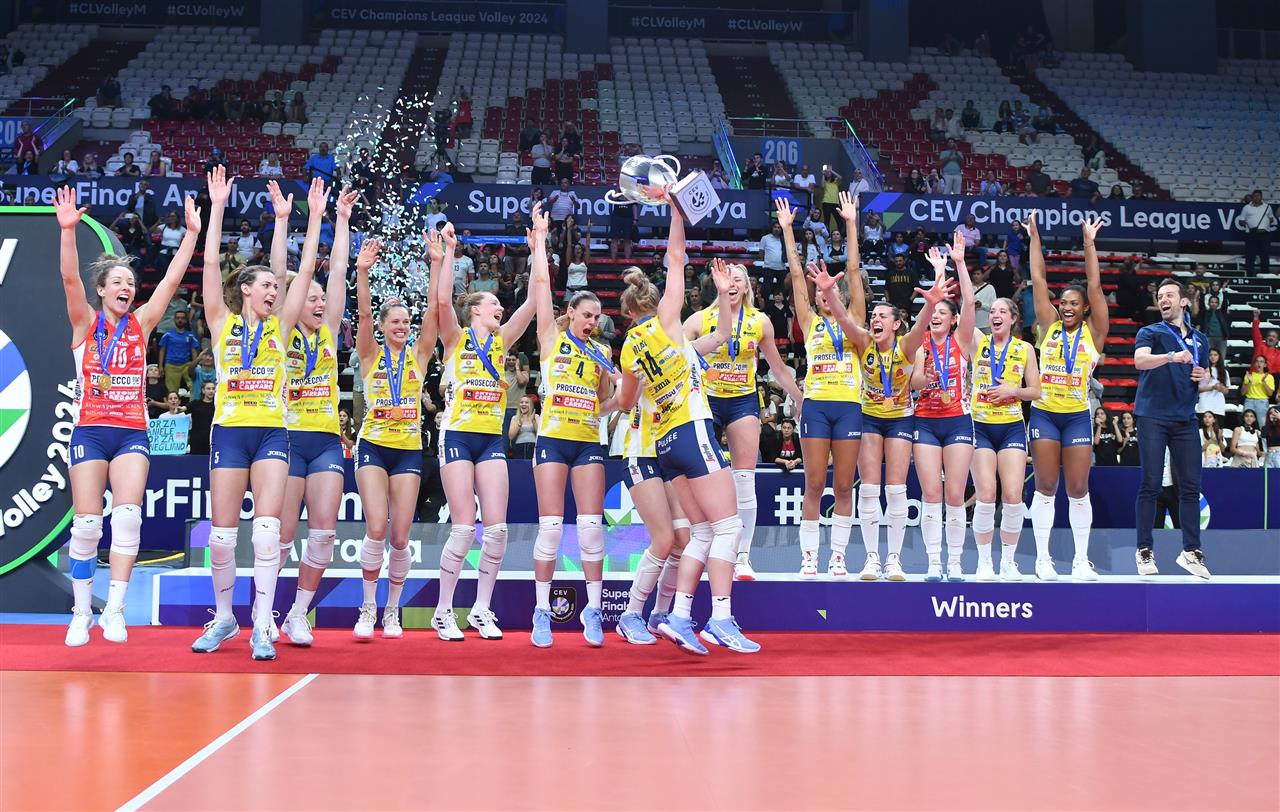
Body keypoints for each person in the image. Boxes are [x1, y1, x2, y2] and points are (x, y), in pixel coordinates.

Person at [55, 187, 199, 647]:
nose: (126, 288)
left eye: (131, 283)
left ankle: (115, 610)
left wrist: (191, 234)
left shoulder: (142, 324)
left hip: (132, 432)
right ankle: (81, 611)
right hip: (90, 432)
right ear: (102, 290)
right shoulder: (85, 323)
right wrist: (67, 231)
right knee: (86, 525)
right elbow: (70, 279)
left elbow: (172, 281)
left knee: (129, 517)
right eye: (117, 282)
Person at [616, 195, 757, 656]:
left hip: (664, 443)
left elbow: (627, 401)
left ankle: (678, 615)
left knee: (701, 532)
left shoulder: (631, 348)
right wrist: (677, 213)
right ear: (657, 305)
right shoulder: (669, 326)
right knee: (729, 526)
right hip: (693, 429)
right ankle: (720, 618)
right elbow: (675, 258)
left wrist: (725, 298)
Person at [190, 170, 311, 661]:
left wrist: (291, 221)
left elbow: (298, 270)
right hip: (229, 433)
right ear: (246, 290)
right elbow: (210, 267)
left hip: (271, 433)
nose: (273, 292)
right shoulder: (221, 321)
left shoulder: (281, 325)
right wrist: (217, 207)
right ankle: (224, 618)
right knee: (221, 538)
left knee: (267, 532)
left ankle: (263, 624)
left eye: (275, 288)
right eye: (265, 286)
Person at [434, 214, 541, 642]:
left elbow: (533, 303)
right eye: (493, 304)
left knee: (497, 529)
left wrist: (537, 250)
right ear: (475, 309)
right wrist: (449, 252)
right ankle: (443, 611)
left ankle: (481, 609)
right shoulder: (456, 338)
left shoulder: (501, 342)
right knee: (464, 526)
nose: (500, 308)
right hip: (457, 436)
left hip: (491, 439)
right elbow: (443, 304)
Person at [527, 203, 621, 648]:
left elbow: (605, 404)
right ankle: (541, 610)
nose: (593, 321)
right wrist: (540, 241)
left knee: (590, 527)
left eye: (598, 316)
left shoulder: (603, 353)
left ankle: (593, 610)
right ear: (572, 313)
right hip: (552, 439)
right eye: (587, 315)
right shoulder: (551, 337)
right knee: (550, 527)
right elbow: (541, 287)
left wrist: (625, 395)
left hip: (587, 442)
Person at [683, 243, 804, 582]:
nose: (733, 284)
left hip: (742, 401)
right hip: (706, 401)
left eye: (739, 279)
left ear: (747, 287)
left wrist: (799, 398)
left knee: (744, 479)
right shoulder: (700, 319)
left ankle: (742, 557)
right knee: (702, 477)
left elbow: (777, 367)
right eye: (729, 279)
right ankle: (702, 547)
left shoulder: (760, 321)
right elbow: (674, 353)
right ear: (719, 283)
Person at [272, 185, 359, 646]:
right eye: (312, 297)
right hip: (286, 439)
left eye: (323, 298)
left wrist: (340, 219)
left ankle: (297, 614)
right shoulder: (281, 330)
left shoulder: (327, 330)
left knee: (324, 535)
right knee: (281, 536)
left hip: (325, 440)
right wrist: (291, 220)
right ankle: (263, 613)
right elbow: (279, 273)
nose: (320, 303)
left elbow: (339, 269)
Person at [349, 224, 440, 641]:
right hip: (373, 446)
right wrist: (362, 272)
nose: (402, 326)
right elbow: (364, 315)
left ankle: (392, 611)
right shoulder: (370, 354)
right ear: (384, 326)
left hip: (408, 450)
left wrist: (436, 264)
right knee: (376, 528)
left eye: (406, 321)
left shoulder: (420, 354)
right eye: (396, 321)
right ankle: (367, 607)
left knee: (401, 537)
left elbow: (434, 314)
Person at [777, 194, 866, 577]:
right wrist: (787, 230)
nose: (823, 294)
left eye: (830, 290)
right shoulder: (810, 322)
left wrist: (851, 223)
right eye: (818, 292)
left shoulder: (855, 318)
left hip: (848, 407)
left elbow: (854, 268)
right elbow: (798, 276)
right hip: (816, 406)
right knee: (813, 484)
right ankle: (809, 556)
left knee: (844, 486)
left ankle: (839, 556)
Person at [853, 253, 956, 580]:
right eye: (873, 315)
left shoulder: (909, 344)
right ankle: (871, 558)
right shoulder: (865, 343)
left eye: (883, 315)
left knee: (896, 489)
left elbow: (925, 320)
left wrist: (935, 288)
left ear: (896, 324)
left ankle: (893, 559)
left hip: (900, 418)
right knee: (869, 489)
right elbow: (844, 316)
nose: (875, 319)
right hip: (868, 416)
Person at [1027, 212, 1108, 581]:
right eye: (1064, 302)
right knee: (1045, 486)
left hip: (1077, 415)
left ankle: (1080, 560)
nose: (1067, 307)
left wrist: (1088, 243)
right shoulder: (1049, 326)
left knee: (1078, 488)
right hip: (1045, 413)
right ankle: (1043, 559)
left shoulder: (1095, 332)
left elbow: (1095, 284)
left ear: (1085, 307)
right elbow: (1039, 279)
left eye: (1074, 303)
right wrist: (1034, 237)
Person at [910, 234, 978, 581]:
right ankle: (934, 562)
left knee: (954, 493)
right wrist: (925, 377)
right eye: (932, 312)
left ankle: (955, 562)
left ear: (952, 320)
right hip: (924, 421)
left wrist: (958, 264)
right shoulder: (919, 342)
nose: (935, 315)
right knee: (931, 493)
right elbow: (912, 384)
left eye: (942, 313)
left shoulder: (961, 340)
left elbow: (969, 301)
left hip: (957, 422)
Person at [964, 274, 1040, 581]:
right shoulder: (978, 342)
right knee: (985, 494)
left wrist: (1013, 391)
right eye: (992, 311)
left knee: (1012, 495)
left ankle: (1008, 561)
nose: (995, 314)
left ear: (1013, 319)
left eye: (1001, 311)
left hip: (1011, 427)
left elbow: (1035, 391)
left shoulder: (1025, 349)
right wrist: (959, 265)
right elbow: (967, 305)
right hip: (980, 426)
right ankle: (984, 561)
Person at [157, 309, 201, 394]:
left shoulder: (190, 335)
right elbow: (162, 350)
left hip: (186, 365)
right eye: (177, 318)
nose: (180, 320)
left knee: (194, 386)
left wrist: (194, 365)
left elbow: (194, 351)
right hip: (171, 365)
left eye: (182, 318)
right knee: (171, 390)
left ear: (185, 320)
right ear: (174, 320)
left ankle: (194, 402)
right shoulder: (168, 334)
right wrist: (160, 366)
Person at [1235, 190, 1276, 275]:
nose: (1256, 197)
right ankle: (1249, 274)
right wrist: (1249, 224)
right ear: (1252, 197)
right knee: (1250, 255)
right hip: (1251, 234)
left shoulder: (1267, 207)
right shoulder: (1246, 207)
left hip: (1264, 234)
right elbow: (1241, 220)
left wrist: (1264, 224)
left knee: (1264, 255)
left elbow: (1271, 219)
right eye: (1255, 196)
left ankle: (1265, 274)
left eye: (1258, 196)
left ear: (1261, 197)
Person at [1240, 355, 1275, 425]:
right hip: (1249, 401)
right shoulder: (1248, 375)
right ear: (1254, 364)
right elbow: (1243, 393)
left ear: (1265, 365)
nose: (1259, 363)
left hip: (1262, 402)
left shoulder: (1269, 377)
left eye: (1261, 362)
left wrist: (1263, 382)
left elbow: (1270, 394)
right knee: (1246, 424)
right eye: (1257, 361)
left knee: (1263, 424)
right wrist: (1250, 382)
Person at [1196, 347, 1229, 420]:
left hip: (1218, 404)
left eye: (1215, 355)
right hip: (1204, 403)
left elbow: (1227, 390)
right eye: (1210, 355)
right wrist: (1212, 387)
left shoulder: (1224, 372)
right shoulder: (1203, 370)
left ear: (1219, 356)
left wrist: (1222, 388)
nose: (1213, 357)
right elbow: (1198, 388)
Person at [1250, 309, 1280, 374]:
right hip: (1255, 376)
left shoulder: (1278, 354)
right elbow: (1255, 333)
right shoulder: (1260, 345)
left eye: (1274, 336)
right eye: (1269, 336)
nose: (1271, 338)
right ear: (1266, 338)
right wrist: (1256, 318)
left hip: (1270, 377)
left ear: (1277, 340)